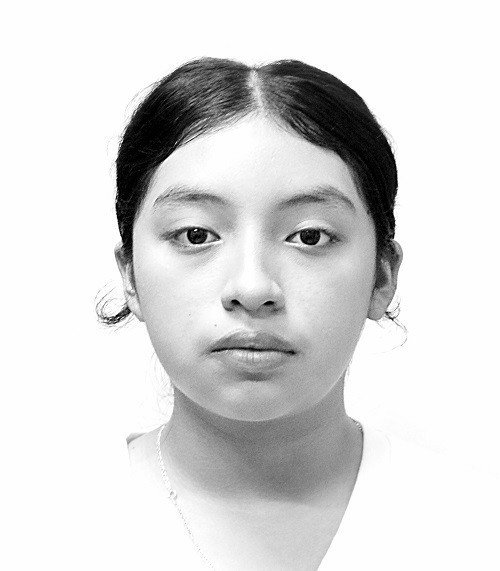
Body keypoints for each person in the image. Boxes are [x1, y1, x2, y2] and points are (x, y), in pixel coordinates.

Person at [97, 58, 498, 570]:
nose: (252, 288)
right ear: (131, 275)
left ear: (381, 276)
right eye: (196, 235)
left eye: (309, 236)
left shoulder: (478, 530)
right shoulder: (33, 524)